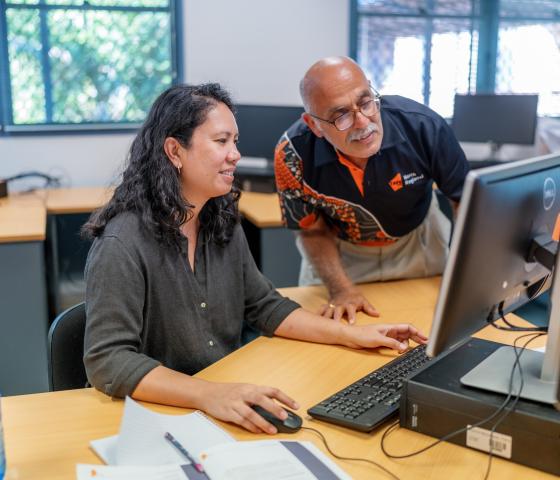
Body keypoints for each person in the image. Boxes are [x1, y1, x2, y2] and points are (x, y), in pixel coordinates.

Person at [82, 83, 428, 435]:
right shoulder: (122, 243)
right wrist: (209, 394)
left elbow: (264, 306)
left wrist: (352, 335)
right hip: (157, 417)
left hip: (222, 399)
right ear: (174, 151)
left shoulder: (219, 217)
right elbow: (108, 360)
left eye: (235, 141)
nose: (235, 154)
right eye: (221, 141)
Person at [275, 56, 469, 323]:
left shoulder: (423, 126)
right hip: (339, 253)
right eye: (340, 115)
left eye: (366, 102)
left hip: (418, 239)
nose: (363, 122)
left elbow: (463, 201)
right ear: (314, 125)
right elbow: (312, 230)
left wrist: (462, 274)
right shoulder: (292, 156)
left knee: (432, 325)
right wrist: (341, 289)